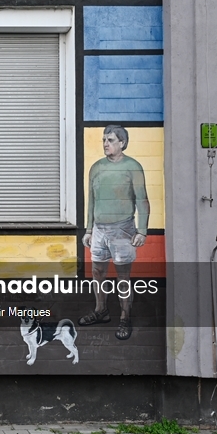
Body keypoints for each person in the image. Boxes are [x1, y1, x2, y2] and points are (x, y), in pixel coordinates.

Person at [78, 125, 150, 341]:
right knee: (98, 273)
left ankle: (125, 317)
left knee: (123, 276)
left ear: (122, 143)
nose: (105, 144)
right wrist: (89, 229)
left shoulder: (133, 167)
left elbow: (142, 199)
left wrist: (142, 231)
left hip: (123, 228)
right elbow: (92, 201)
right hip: (99, 229)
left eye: (110, 140)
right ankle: (101, 311)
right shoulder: (96, 167)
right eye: (103, 140)